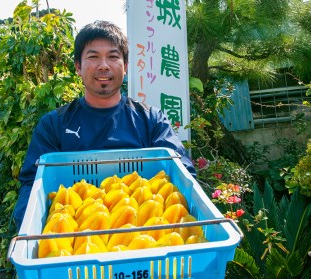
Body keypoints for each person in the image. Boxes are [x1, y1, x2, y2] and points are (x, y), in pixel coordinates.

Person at [13, 20, 197, 229]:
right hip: (74, 239)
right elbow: (33, 184)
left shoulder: (151, 120)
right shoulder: (54, 124)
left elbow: (182, 173)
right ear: (78, 67)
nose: (104, 65)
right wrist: (27, 233)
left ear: (125, 66)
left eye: (113, 56)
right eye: (93, 57)